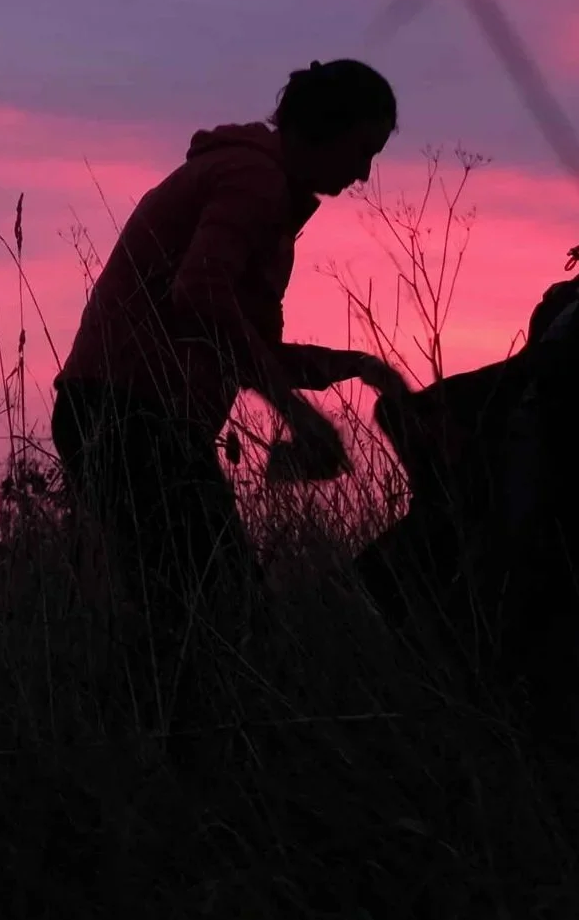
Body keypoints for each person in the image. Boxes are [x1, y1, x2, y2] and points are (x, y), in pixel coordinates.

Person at [50, 58, 406, 729]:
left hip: (122, 413)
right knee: (220, 611)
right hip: (129, 414)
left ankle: (133, 757)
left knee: (181, 614)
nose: (363, 174)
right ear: (324, 131)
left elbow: (243, 343)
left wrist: (359, 366)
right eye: (364, 151)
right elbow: (200, 295)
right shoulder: (254, 179)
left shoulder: (265, 197)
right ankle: (167, 768)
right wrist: (298, 414)